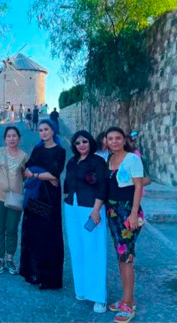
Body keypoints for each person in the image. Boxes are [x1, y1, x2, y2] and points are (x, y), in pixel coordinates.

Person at [63, 130, 108, 313]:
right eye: (77, 142)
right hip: (72, 208)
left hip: (90, 208)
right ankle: (81, 289)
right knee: (77, 249)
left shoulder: (97, 161)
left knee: (94, 250)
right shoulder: (72, 162)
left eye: (84, 141)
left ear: (90, 143)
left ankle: (98, 297)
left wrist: (96, 210)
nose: (81, 145)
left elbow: (102, 186)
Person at [105, 127, 146, 323]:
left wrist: (133, 213)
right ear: (106, 141)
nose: (114, 141)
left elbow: (138, 186)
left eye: (117, 138)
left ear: (124, 140)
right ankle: (127, 299)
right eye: (110, 138)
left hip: (128, 212)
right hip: (113, 212)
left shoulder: (132, 159)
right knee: (121, 256)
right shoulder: (110, 159)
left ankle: (128, 306)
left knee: (126, 257)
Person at [20, 120, 66, 290]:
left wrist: (37, 174)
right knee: (34, 232)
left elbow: (55, 173)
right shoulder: (37, 149)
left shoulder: (60, 151)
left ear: (53, 131)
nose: (43, 132)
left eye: (46, 129)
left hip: (49, 197)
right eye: (40, 130)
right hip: (35, 195)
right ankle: (33, 272)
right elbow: (27, 169)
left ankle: (49, 276)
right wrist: (42, 174)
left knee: (49, 233)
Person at [0, 126, 28, 275]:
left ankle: (10, 259)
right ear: (5, 138)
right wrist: (1, 183)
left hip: (15, 198)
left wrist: (14, 185)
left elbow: (24, 176)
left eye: (14, 136)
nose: (12, 139)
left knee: (12, 228)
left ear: (19, 138)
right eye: (9, 136)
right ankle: (0, 259)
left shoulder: (24, 156)